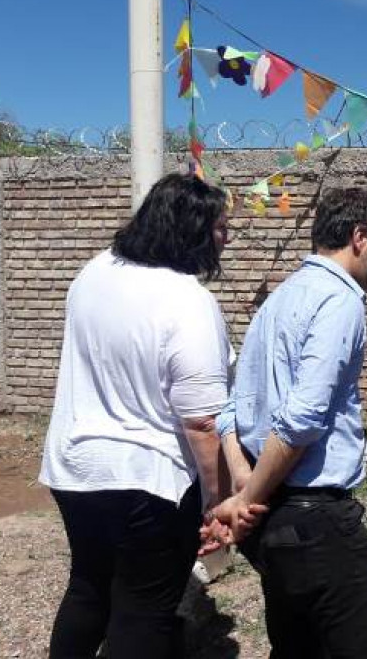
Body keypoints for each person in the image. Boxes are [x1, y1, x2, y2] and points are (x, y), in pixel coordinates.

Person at [39, 174, 231, 658]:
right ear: (191, 229)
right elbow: (202, 423)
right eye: (220, 228)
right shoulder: (188, 300)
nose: (226, 239)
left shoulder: (93, 273)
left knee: (89, 585)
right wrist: (218, 502)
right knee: (143, 607)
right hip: (148, 481)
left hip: (75, 468)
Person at [210, 186, 367, 659]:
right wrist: (248, 496)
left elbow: (231, 410)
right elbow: (302, 419)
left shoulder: (278, 300)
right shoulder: (340, 299)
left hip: (275, 522)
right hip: (317, 523)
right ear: (359, 237)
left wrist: (245, 486)